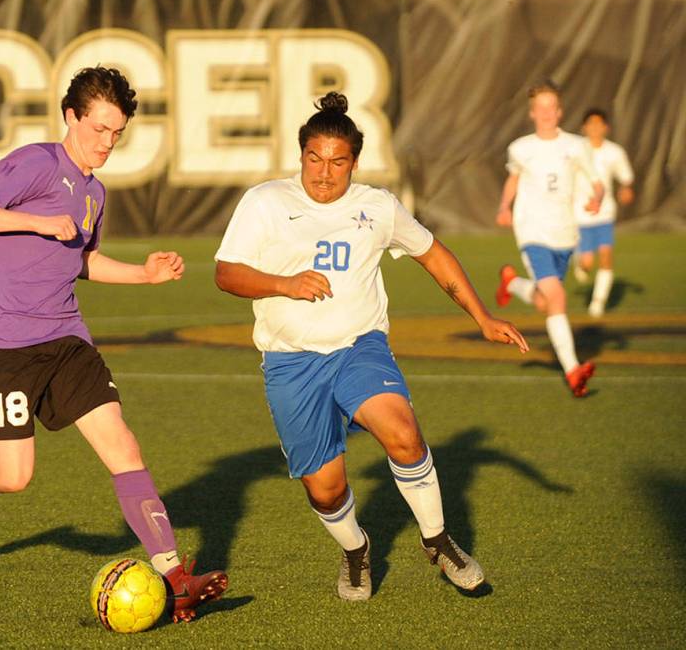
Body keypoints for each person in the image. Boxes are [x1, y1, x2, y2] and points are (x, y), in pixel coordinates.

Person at [0, 67, 228, 622]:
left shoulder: (94, 191)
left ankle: (176, 577)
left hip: (65, 339)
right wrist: (38, 223)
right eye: (99, 129)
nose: (107, 143)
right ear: (71, 116)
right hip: (1, 346)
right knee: (14, 477)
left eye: (117, 133)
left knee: (124, 448)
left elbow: (80, 258)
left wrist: (144, 274)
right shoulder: (37, 162)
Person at [213, 92, 528, 601]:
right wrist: (285, 283)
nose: (324, 172)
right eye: (314, 158)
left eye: (338, 162)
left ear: (354, 163)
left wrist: (483, 316)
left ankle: (439, 540)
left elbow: (433, 254)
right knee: (326, 488)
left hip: (359, 347)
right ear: (301, 156)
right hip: (291, 363)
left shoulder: (377, 207)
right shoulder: (266, 201)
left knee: (403, 433)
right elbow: (226, 274)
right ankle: (357, 550)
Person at [495, 81, 604, 397]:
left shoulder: (576, 145)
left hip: (564, 234)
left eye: (551, 107)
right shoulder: (521, 148)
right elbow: (513, 179)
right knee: (557, 297)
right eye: (539, 107)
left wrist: (597, 198)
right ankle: (573, 371)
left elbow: (596, 182)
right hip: (533, 231)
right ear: (532, 113)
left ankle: (512, 283)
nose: (545, 112)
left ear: (559, 111)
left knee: (546, 301)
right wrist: (504, 206)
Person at [570, 108, 635, 317]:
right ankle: (579, 258)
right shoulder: (575, 150)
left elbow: (626, 177)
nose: (595, 128)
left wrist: (626, 188)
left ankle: (597, 303)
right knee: (587, 263)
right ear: (583, 127)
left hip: (605, 213)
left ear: (606, 127)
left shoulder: (614, 152)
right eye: (591, 124)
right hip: (581, 213)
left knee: (606, 256)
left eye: (599, 124)